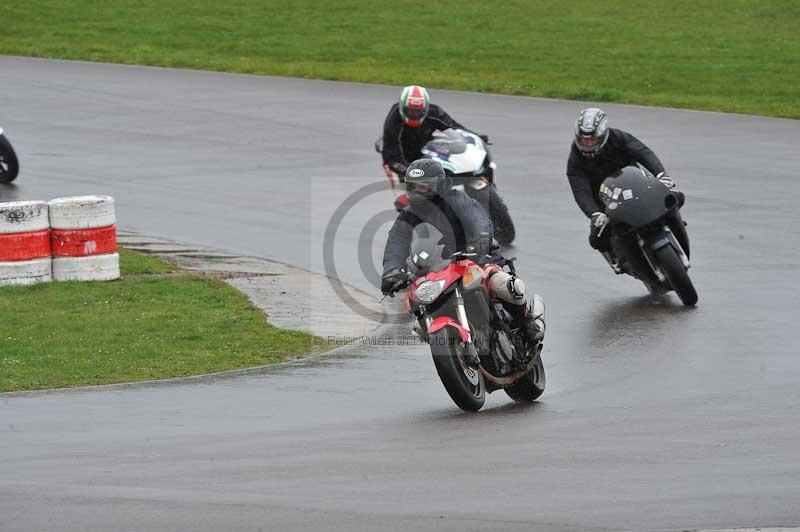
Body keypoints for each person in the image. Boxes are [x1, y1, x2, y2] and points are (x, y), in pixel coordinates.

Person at [381, 158, 543, 345]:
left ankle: (526, 322)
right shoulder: (407, 215)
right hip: (437, 272)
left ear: (438, 185)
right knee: (417, 303)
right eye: (413, 187)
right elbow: (396, 245)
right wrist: (391, 272)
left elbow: (477, 217)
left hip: (476, 259)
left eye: (423, 187)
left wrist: (482, 237)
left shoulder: (456, 200)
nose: (418, 192)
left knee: (502, 284)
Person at [566, 107, 689, 258]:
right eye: (584, 140)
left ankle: (676, 226)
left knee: (676, 197)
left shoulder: (619, 137)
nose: (588, 144)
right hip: (606, 202)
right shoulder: (575, 161)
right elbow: (580, 192)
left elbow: (643, 153)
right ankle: (616, 258)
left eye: (592, 140)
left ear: (603, 134)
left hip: (637, 187)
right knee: (596, 239)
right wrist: (594, 214)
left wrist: (661, 175)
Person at [381, 85, 484, 178]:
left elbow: (453, 126)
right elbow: (391, 157)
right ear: (402, 108)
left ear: (426, 108)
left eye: (419, 111)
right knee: (408, 195)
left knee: (446, 174)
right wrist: (411, 173)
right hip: (398, 158)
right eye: (411, 111)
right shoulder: (393, 121)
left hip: (423, 151)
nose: (415, 115)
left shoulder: (434, 112)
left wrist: (475, 136)